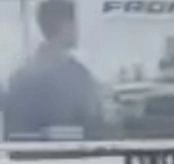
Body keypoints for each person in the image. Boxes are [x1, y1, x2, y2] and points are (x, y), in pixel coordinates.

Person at [4, 0, 103, 141]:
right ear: (64, 25)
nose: (79, 30)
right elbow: (94, 125)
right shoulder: (77, 77)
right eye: (76, 23)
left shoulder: (19, 76)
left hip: (26, 159)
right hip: (73, 158)